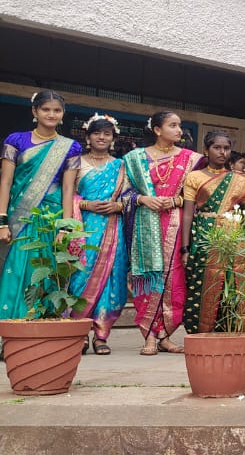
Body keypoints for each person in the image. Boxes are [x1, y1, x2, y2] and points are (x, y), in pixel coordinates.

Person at [124, 110, 201, 355]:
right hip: (145, 226)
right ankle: (149, 335)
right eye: (173, 125)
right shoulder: (134, 158)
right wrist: (143, 199)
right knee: (148, 277)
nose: (179, 130)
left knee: (175, 281)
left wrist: (176, 201)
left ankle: (166, 335)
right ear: (157, 130)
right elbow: (122, 194)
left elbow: (199, 197)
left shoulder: (192, 159)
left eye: (180, 126)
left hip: (176, 226)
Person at [0, 91, 81, 321]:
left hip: (50, 218)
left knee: (46, 272)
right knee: (14, 269)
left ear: (63, 114)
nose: (51, 114)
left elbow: (68, 189)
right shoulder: (16, 140)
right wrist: (2, 220)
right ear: (35, 111)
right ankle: (7, 330)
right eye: (46, 109)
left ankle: (39, 330)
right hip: (20, 216)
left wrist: (65, 227)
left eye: (57, 110)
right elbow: (5, 182)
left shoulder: (70, 147)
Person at [181, 131, 245, 335]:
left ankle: (233, 329)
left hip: (234, 236)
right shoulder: (194, 177)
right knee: (204, 281)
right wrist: (185, 248)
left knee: (233, 282)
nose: (222, 152)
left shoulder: (239, 180)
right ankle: (202, 331)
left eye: (226, 148)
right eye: (217, 147)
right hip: (204, 234)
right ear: (206, 150)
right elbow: (188, 214)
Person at [70, 114, 132, 354]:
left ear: (113, 138)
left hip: (112, 229)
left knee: (110, 281)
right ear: (88, 136)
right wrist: (86, 205)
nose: (102, 137)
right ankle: (80, 332)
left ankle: (101, 335)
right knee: (79, 276)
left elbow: (129, 197)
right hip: (83, 228)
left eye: (107, 134)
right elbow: (67, 194)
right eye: (97, 133)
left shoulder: (120, 165)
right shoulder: (77, 162)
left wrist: (117, 206)